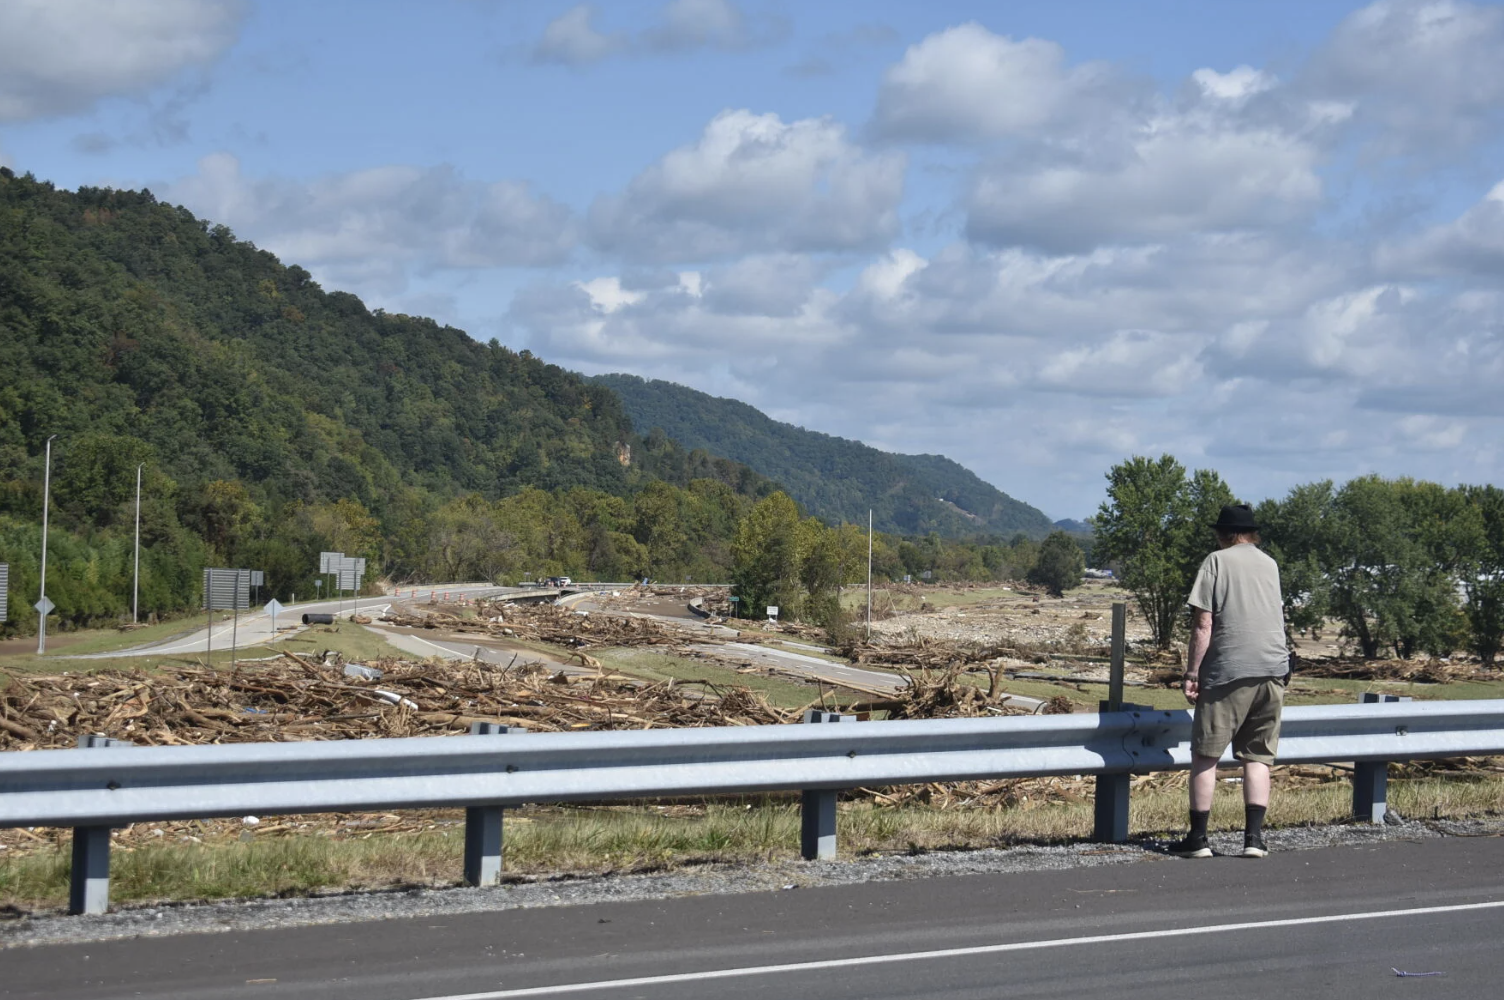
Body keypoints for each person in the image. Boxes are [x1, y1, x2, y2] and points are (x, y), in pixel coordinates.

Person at [1169, 503, 1288, 859]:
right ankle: (1254, 839)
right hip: (1272, 669)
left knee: (1206, 755)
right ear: (1251, 533)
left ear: (1225, 533)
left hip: (1229, 670)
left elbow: (1204, 623)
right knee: (1257, 757)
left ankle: (1199, 839)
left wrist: (1193, 672)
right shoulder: (1270, 564)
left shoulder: (1215, 562)